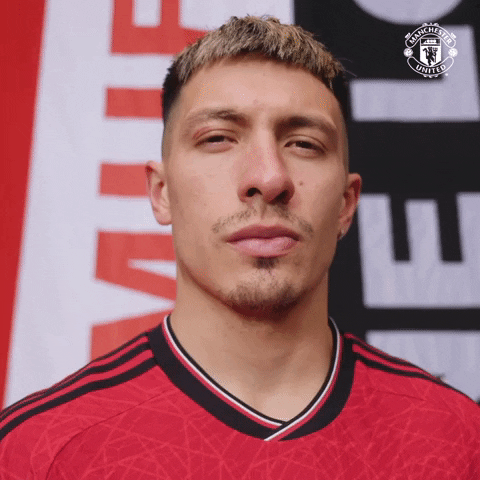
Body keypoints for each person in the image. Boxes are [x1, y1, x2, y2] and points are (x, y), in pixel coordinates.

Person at [1, 15, 479, 479]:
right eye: (218, 138)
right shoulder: (34, 454)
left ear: (346, 203)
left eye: (304, 143)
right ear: (162, 193)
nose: (268, 178)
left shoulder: (461, 440)